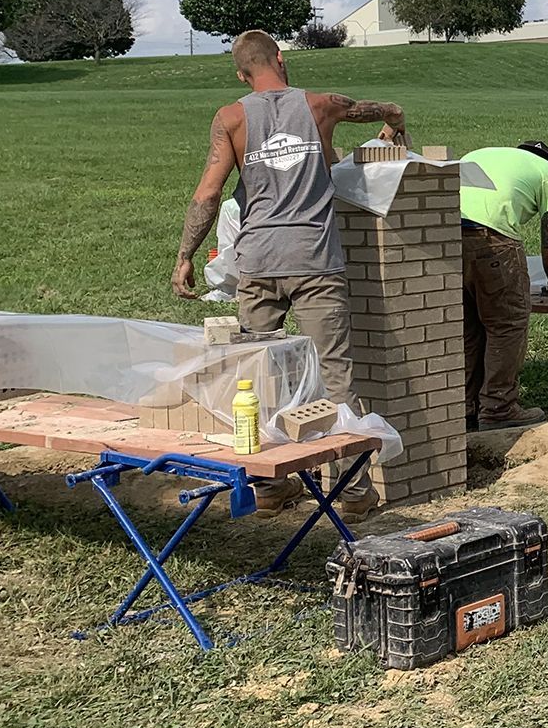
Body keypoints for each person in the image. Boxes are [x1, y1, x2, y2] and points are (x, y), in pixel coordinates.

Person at [172, 30, 407, 517]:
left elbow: (208, 194)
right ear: (282, 58)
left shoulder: (231, 118)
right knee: (336, 376)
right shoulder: (321, 105)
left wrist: (185, 256)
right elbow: (366, 107)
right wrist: (392, 113)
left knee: (260, 377)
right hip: (315, 261)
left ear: (240, 73)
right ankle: (353, 494)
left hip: (256, 264)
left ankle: (274, 487)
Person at [459, 141, 548, 430]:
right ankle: (498, 408)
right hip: (492, 242)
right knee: (508, 323)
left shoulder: (483, 153)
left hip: (445, 235)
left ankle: (464, 408)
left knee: (469, 326)